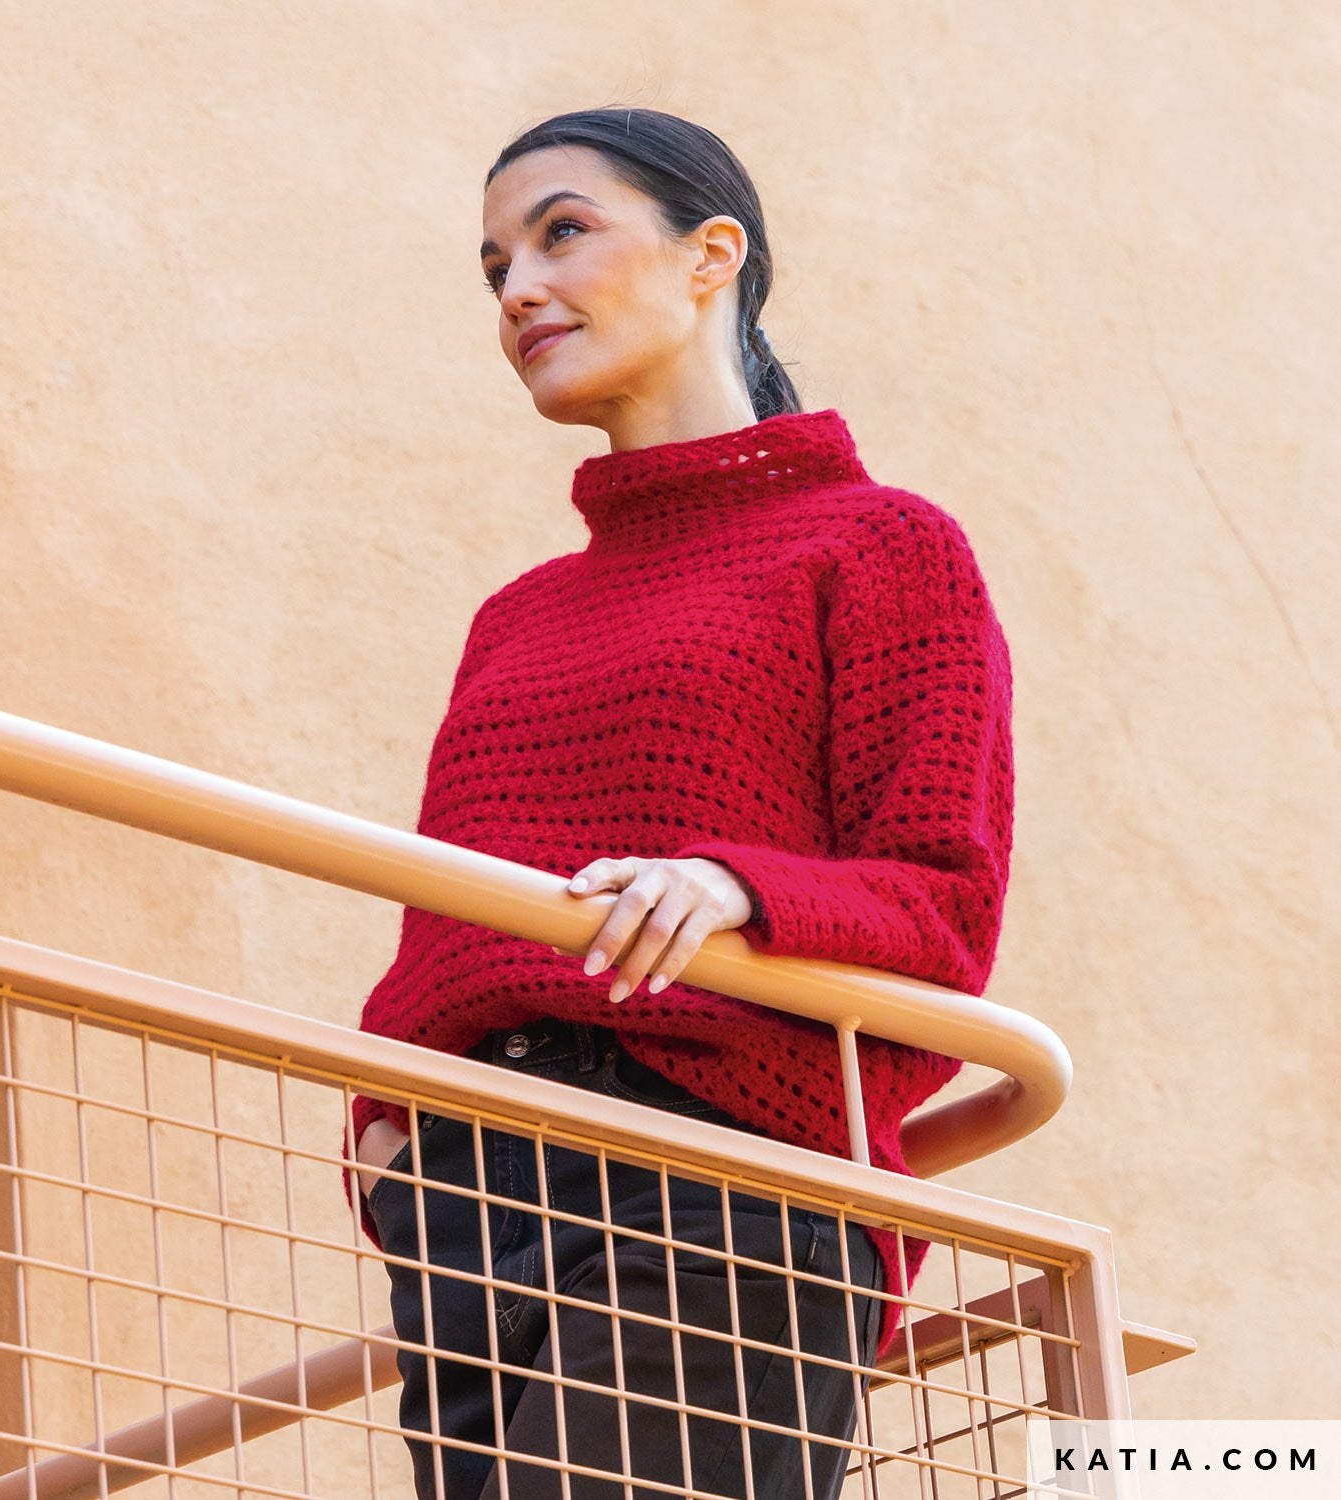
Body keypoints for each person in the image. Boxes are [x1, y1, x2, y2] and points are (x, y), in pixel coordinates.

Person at [345, 106, 1015, 1499]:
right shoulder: (517, 615)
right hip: (466, 1202)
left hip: (722, 1177)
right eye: (495, 268)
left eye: (562, 233)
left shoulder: (879, 545)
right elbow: (447, 917)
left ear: (714, 255)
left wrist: (733, 887)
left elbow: (944, 904)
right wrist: (387, 1114)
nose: (518, 290)